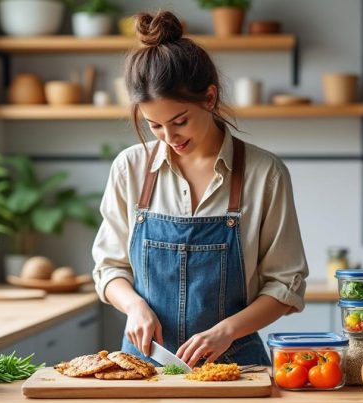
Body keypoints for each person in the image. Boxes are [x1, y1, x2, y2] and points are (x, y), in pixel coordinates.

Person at [91, 10, 308, 367]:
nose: (169, 137)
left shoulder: (264, 174)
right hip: (143, 365)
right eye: (154, 126)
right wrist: (134, 306)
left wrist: (226, 331)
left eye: (179, 122)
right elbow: (109, 268)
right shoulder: (130, 168)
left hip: (237, 366)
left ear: (209, 98)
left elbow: (285, 286)